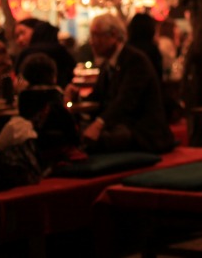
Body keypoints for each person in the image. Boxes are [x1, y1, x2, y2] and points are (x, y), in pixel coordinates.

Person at [82, 13, 174, 154]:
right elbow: (97, 98)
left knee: (101, 140)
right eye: (92, 36)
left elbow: (126, 102)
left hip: (141, 131)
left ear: (114, 35)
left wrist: (99, 124)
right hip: (120, 124)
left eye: (97, 36)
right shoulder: (108, 63)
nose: (92, 42)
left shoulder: (135, 60)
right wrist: (77, 99)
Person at [16, 52, 80, 164]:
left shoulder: (23, 96)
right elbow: (67, 121)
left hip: (34, 145)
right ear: (53, 75)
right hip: (58, 144)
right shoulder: (55, 94)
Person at [14, 18, 77, 88]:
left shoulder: (25, 54)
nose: (20, 39)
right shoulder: (61, 50)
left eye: (22, 33)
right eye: (16, 37)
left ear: (35, 29)